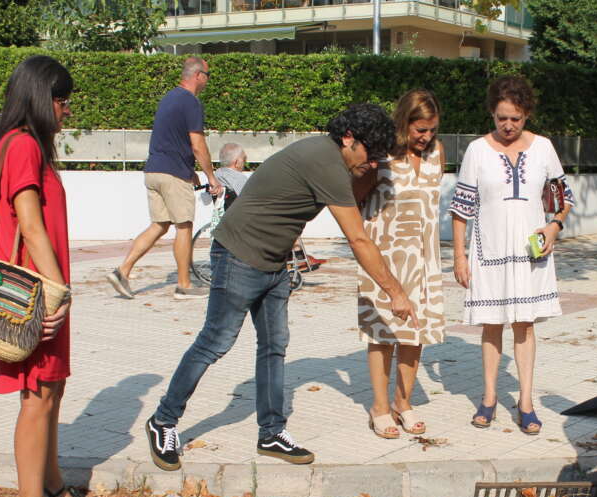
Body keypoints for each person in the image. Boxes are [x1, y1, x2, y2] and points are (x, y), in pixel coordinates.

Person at [145, 103, 417, 470]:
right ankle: (163, 421)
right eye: (370, 154)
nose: (372, 164)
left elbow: (355, 197)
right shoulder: (327, 162)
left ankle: (271, 432)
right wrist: (395, 292)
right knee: (216, 341)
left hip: (273, 261)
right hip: (239, 254)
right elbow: (359, 240)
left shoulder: (331, 156)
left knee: (274, 346)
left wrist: (371, 168)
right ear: (349, 139)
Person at [0, 56, 93, 497]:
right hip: (38, 295)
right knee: (37, 398)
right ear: (40, 99)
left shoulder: (21, 144)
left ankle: (48, 488)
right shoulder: (24, 146)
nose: (66, 111)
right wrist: (58, 292)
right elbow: (28, 222)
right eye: (62, 100)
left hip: (42, 291)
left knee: (52, 390)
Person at [449, 75, 574, 435]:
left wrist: (554, 227)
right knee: (491, 323)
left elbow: (563, 199)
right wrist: (460, 257)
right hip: (488, 252)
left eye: (515, 119)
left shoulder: (544, 148)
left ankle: (526, 402)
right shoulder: (476, 150)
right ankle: (488, 398)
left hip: (529, 254)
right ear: (492, 112)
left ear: (527, 115)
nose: (508, 125)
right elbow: (461, 209)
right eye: (501, 117)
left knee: (524, 324)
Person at [353, 89, 445, 439]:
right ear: (404, 123)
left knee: (414, 333)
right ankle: (379, 407)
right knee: (382, 333)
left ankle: (403, 402)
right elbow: (355, 198)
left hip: (424, 255)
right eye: (420, 130)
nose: (426, 137)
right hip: (384, 253)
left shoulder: (438, 153)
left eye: (432, 130)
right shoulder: (383, 154)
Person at [106, 56, 223, 301]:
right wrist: (211, 177)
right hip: (172, 174)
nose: (208, 81)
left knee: (160, 225)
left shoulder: (169, 98)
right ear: (198, 75)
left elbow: (170, 138)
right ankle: (184, 285)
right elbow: (198, 144)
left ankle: (123, 271)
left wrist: (189, 170)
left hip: (154, 169)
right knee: (184, 225)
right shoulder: (191, 102)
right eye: (208, 76)